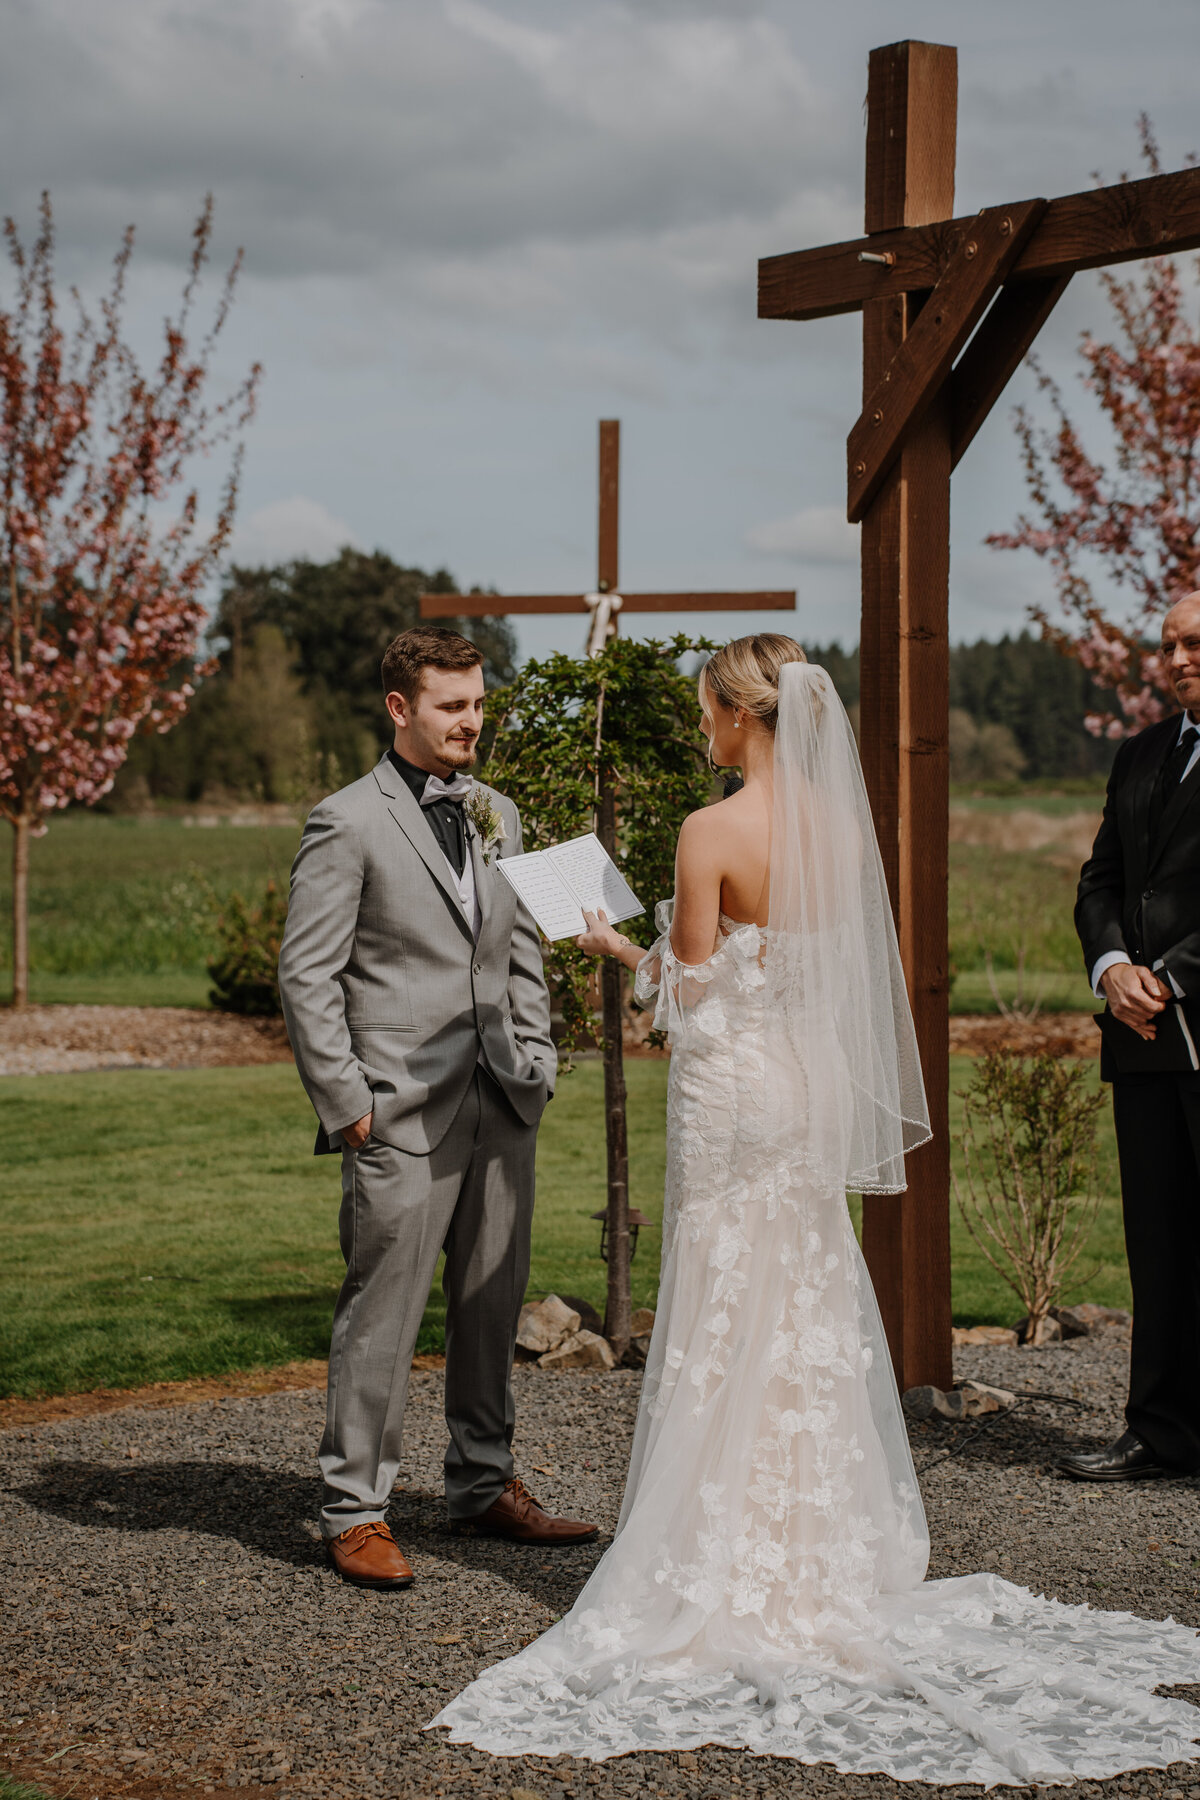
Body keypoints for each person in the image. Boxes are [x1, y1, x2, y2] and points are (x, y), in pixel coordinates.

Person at [431, 634, 1200, 1781]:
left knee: (727, 1300)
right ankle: (813, 1547)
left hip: (733, 1098)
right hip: (799, 1096)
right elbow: (810, 974)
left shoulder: (707, 832)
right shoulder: (841, 831)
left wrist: (610, 943)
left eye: (707, 713)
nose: (702, 730)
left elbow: (689, 993)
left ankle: (715, 1551)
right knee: (801, 1294)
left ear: (744, 719)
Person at [278, 625, 596, 1592]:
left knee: (492, 1304)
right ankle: (355, 1510)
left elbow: (522, 948)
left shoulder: (500, 810)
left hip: (503, 1097)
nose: (473, 721)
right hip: (397, 1112)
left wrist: (535, 1062)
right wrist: (350, 1105)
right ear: (400, 709)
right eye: (453, 705)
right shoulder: (347, 820)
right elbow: (306, 975)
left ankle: (483, 1484)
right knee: (382, 1314)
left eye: (479, 703)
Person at [1065, 590, 1200, 1483]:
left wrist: (1177, 975)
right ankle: (1160, 1431)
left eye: (1195, 640)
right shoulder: (1143, 751)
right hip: (1141, 1032)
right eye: (1169, 643)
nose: (1179, 655)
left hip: (1193, 1007)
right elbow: (1100, 879)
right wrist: (1113, 967)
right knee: (1160, 1243)